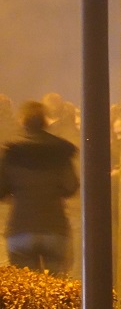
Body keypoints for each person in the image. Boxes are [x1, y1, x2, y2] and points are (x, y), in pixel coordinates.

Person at [0, 101, 78, 274]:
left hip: (21, 228)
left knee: (25, 286)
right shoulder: (59, 151)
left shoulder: (12, 152)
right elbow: (71, 187)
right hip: (54, 228)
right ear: (44, 121)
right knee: (56, 285)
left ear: (22, 121)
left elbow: (1, 189)